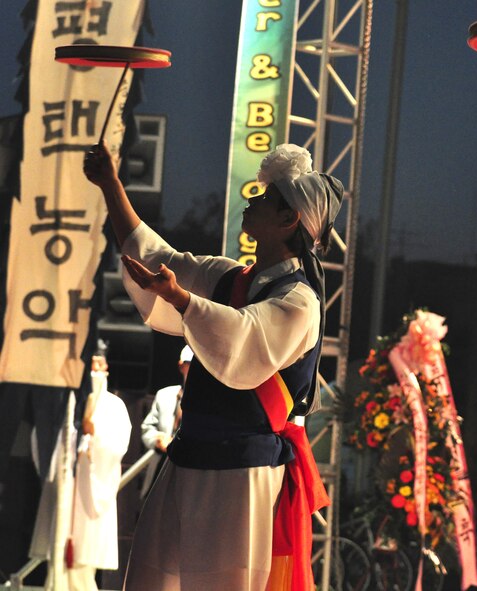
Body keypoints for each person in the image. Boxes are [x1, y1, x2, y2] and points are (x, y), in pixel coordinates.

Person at [83, 142, 340, 590]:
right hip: (188, 457)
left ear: (288, 219)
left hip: (243, 473)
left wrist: (180, 298)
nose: (251, 200)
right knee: (149, 579)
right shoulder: (227, 277)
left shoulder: (299, 301)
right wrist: (111, 185)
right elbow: (155, 258)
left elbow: (243, 340)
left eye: (264, 198)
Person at [29, 346, 131, 591]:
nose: (94, 369)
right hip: (65, 484)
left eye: (98, 364)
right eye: (90, 364)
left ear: (106, 368)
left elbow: (116, 446)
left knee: (83, 569)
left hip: (90, 487)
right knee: (57, 563)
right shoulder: (64, 401)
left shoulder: (114, 405)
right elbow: (41, 436)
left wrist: (92, 438)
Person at [139, 345, 192, 499]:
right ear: (181, 366)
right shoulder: (165, 395)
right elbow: (147, 428)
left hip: (188, 472)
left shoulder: (208, 402)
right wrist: (158, 440)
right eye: (191, 365)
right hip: (160, 467)